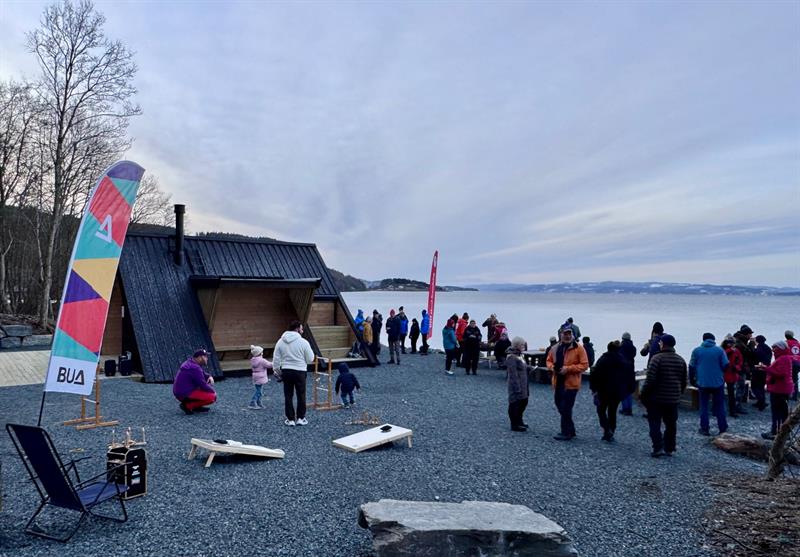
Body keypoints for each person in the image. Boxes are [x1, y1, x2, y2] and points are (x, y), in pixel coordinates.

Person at [640, 334, 687, 458]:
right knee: (671, 424)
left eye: (660, 343)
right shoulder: (680, 360)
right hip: (673, 399)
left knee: (654, 422)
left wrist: (643, 394)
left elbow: (650, 380)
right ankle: (669, 447)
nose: (659, 344)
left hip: (657, 398)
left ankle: (658, 447)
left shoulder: (657, 359)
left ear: (663, 344)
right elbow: (683, 381)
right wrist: (679, 393)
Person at [546, 325, 589, 441]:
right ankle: (571, 429)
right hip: (558, 382)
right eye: (565, 334)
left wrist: (568, 369)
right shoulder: (555, 348)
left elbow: (585, 365)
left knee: (566, 407)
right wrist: (552, 368)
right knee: (559, 405)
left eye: (569, 334)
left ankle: (565, 432)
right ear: (561, 335)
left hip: (571, 383)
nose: (567, 336)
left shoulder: (579, 348)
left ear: (573, 335)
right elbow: (548, 360)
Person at [590, 340, 635, 442]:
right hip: (617, 391)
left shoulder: (603, 359)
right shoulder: (623, 361)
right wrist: (629, 388)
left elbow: (595, 374)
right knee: (612, 411)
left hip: (604, 390)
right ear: (618, 349)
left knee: (601, 410)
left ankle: (606, 429)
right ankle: (611, 430)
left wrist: (593, 388)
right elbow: (629, 375)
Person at [273, 320, 315, 426]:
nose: (302, 330)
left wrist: (277, 371)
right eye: (301, 328)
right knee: (301, 395)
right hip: (300, 371)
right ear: (297, 329)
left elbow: (276, 359)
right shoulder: (304, 342)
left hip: (286, 371)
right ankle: (301, 418)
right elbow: (310, 359)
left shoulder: (280, 341)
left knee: (288, 395)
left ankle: (290, 419)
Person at [688, 333, 728, 436]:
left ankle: (705, 428)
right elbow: (726, 365)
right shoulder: (720, 350)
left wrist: (692, 379)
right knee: (719, 405)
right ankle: (722, 428)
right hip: (718, 382)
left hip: (703, 382)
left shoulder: (696, 351)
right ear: (713, 340)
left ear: (703, 339)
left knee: (704, 406)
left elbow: (691, 366)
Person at [758, 340, 795, 440]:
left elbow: (780, 373)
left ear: (780, 348)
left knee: (777, 412)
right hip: (782, 388)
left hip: (780, 389)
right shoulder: (785, 358)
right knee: (782, 412)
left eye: (775, 348)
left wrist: (766, 368)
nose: (773, 350)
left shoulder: (783, 359)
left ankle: (776, 433)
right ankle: (782, 433)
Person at [173, 348, 217, 415]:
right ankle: (187, 406)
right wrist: (213, 391)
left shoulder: (191, 363)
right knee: (212, 397)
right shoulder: (195, 368)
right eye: (205, 357)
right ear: (199, 358)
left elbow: (203, 373)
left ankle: (196, 406)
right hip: (184, 393)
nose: (207, 358)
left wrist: (209, 376)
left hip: (180, 392)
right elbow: (203, 384)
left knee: (206, 388)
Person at [506, 337, 532, 432]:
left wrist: (529, 367)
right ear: (516, 345)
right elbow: (513, 374)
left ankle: (519, 421)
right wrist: (517, 388)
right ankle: (514, 424)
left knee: (523, 402)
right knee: (515, 404)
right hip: (516, 385)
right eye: (522, 345)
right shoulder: (511, 357)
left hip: (524, 384)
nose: (523, 346)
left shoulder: (519, 355)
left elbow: (522, 367)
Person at [733, 324, 757, 411]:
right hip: (740, 367)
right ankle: (737, 405)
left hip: (738, 366)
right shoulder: (740, 343)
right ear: (747, 334)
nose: (751, 335)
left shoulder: (738, 340)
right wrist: (752, 344)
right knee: (740, 386)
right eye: (750, 334)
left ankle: (736, 404)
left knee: (738, 386)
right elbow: (748, 353)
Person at [722, 338, 744, 417]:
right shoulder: (724, 351)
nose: (731, 345)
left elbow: (740, 361)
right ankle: (720, 409)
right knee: (722, 393)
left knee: (731, 394)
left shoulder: (736, 351)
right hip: (724, 374)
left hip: (731, 374)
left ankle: (732, 410)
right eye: (729, 343)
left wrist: (737, 367)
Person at [619, 332, 637, 416]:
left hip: (623, 371)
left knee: (623, 391)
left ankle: (625, 409)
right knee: (629, 391)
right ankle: (629, 409)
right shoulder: (633, 348)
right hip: (631, 371)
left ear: (623, 338)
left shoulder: (621, 347)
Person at [249, 345, 272, 409]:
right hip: (261, 377)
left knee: (259, 390)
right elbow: (269, 365)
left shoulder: (253, 360)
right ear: (260, 353)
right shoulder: (262, 361)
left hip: (255, 376)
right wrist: (275, 363)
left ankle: (258, 402)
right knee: (258, 391)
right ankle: (252, 403)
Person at [753, 335, 771, 410]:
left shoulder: (759, 349)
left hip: (759, 369)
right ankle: (761, 401)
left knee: (754, 386)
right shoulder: (768, 348)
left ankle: (761, 401)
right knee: (761, 386)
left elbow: (756, 357)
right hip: (765, 368)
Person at [785, 330, 800, 401]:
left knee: (788, 379)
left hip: (790, 363)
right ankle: (795, 396)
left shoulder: (786, 343)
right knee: (795, 379)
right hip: (798, 363)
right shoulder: (797, 343)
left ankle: (787, 394)